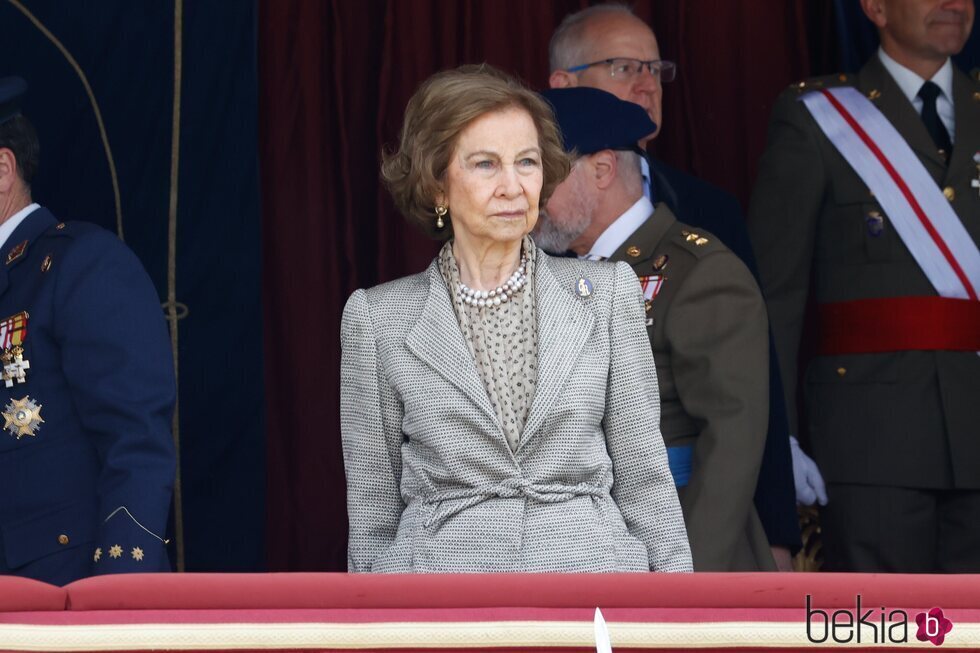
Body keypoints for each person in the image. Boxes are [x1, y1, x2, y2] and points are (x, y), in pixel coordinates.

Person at [340, 65, 692, 574]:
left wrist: (671, 621)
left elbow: (646, 482)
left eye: (526, 163)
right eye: (486, 165)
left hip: (591, 584)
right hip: (442, 599)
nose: (513, 186)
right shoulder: (378, 320)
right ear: (437, 185)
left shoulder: (607, 296)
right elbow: (371, 514)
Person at [546, 3, 802, 569]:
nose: (527, 191)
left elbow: (732, 442)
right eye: (622, 67)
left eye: (544, 170)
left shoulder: (699, 269)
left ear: (602, 170)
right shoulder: (548, 270)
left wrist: (684, 580)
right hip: (581, 548)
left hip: (680, 547)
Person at [747, 0, 980, 572]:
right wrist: (780, 437)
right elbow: (775, 299)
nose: (955, 4)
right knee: (886, 626)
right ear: (875, 7)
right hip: (872, 441)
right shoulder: (816, 116)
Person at [0, 77, 176, 585]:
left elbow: (136, 442)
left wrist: (118, 602)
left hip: (66, 600)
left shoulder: (81, 264)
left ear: (4, 169)